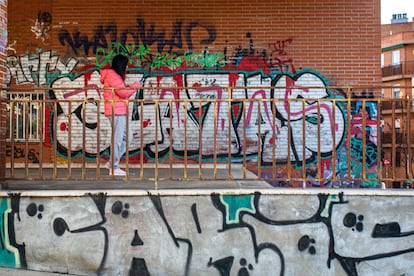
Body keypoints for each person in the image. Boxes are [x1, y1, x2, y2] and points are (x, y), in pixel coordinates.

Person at [100, 54, 141, 176]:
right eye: (126, 65)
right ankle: (114, 167)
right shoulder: (113, 76)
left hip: (120, 111)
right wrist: (135, 86)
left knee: (128, 137)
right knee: (117, 139)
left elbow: (120, 90)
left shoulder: (115, 77)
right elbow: (123, 93)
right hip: (115, 111)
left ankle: (111, 162)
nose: (127, 67)